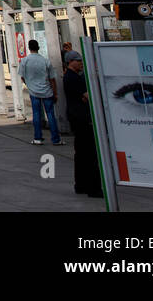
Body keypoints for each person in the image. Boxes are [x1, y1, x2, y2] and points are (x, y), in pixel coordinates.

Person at [62, 50, 102, 198]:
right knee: (89, 154)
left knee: (81, 153)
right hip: (82, 119)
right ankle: (93, 187)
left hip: (76, 117)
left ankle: (81, 184)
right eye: (77, 60)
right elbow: (88, 97)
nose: (80, 63)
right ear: (70, 62)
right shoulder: (73, 78)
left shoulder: (71, 77)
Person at [18, 39, 61, 146]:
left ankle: (38, 138)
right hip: (47, 91)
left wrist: (29, 84)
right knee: (50, 114)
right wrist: (55, 92)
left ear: (29, 48)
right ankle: (55, 139)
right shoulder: (45, 61)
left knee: (36, 114)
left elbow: (22, 76)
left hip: (33, 92)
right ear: (38, 47)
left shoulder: (24, 61)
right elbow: (52, 79)